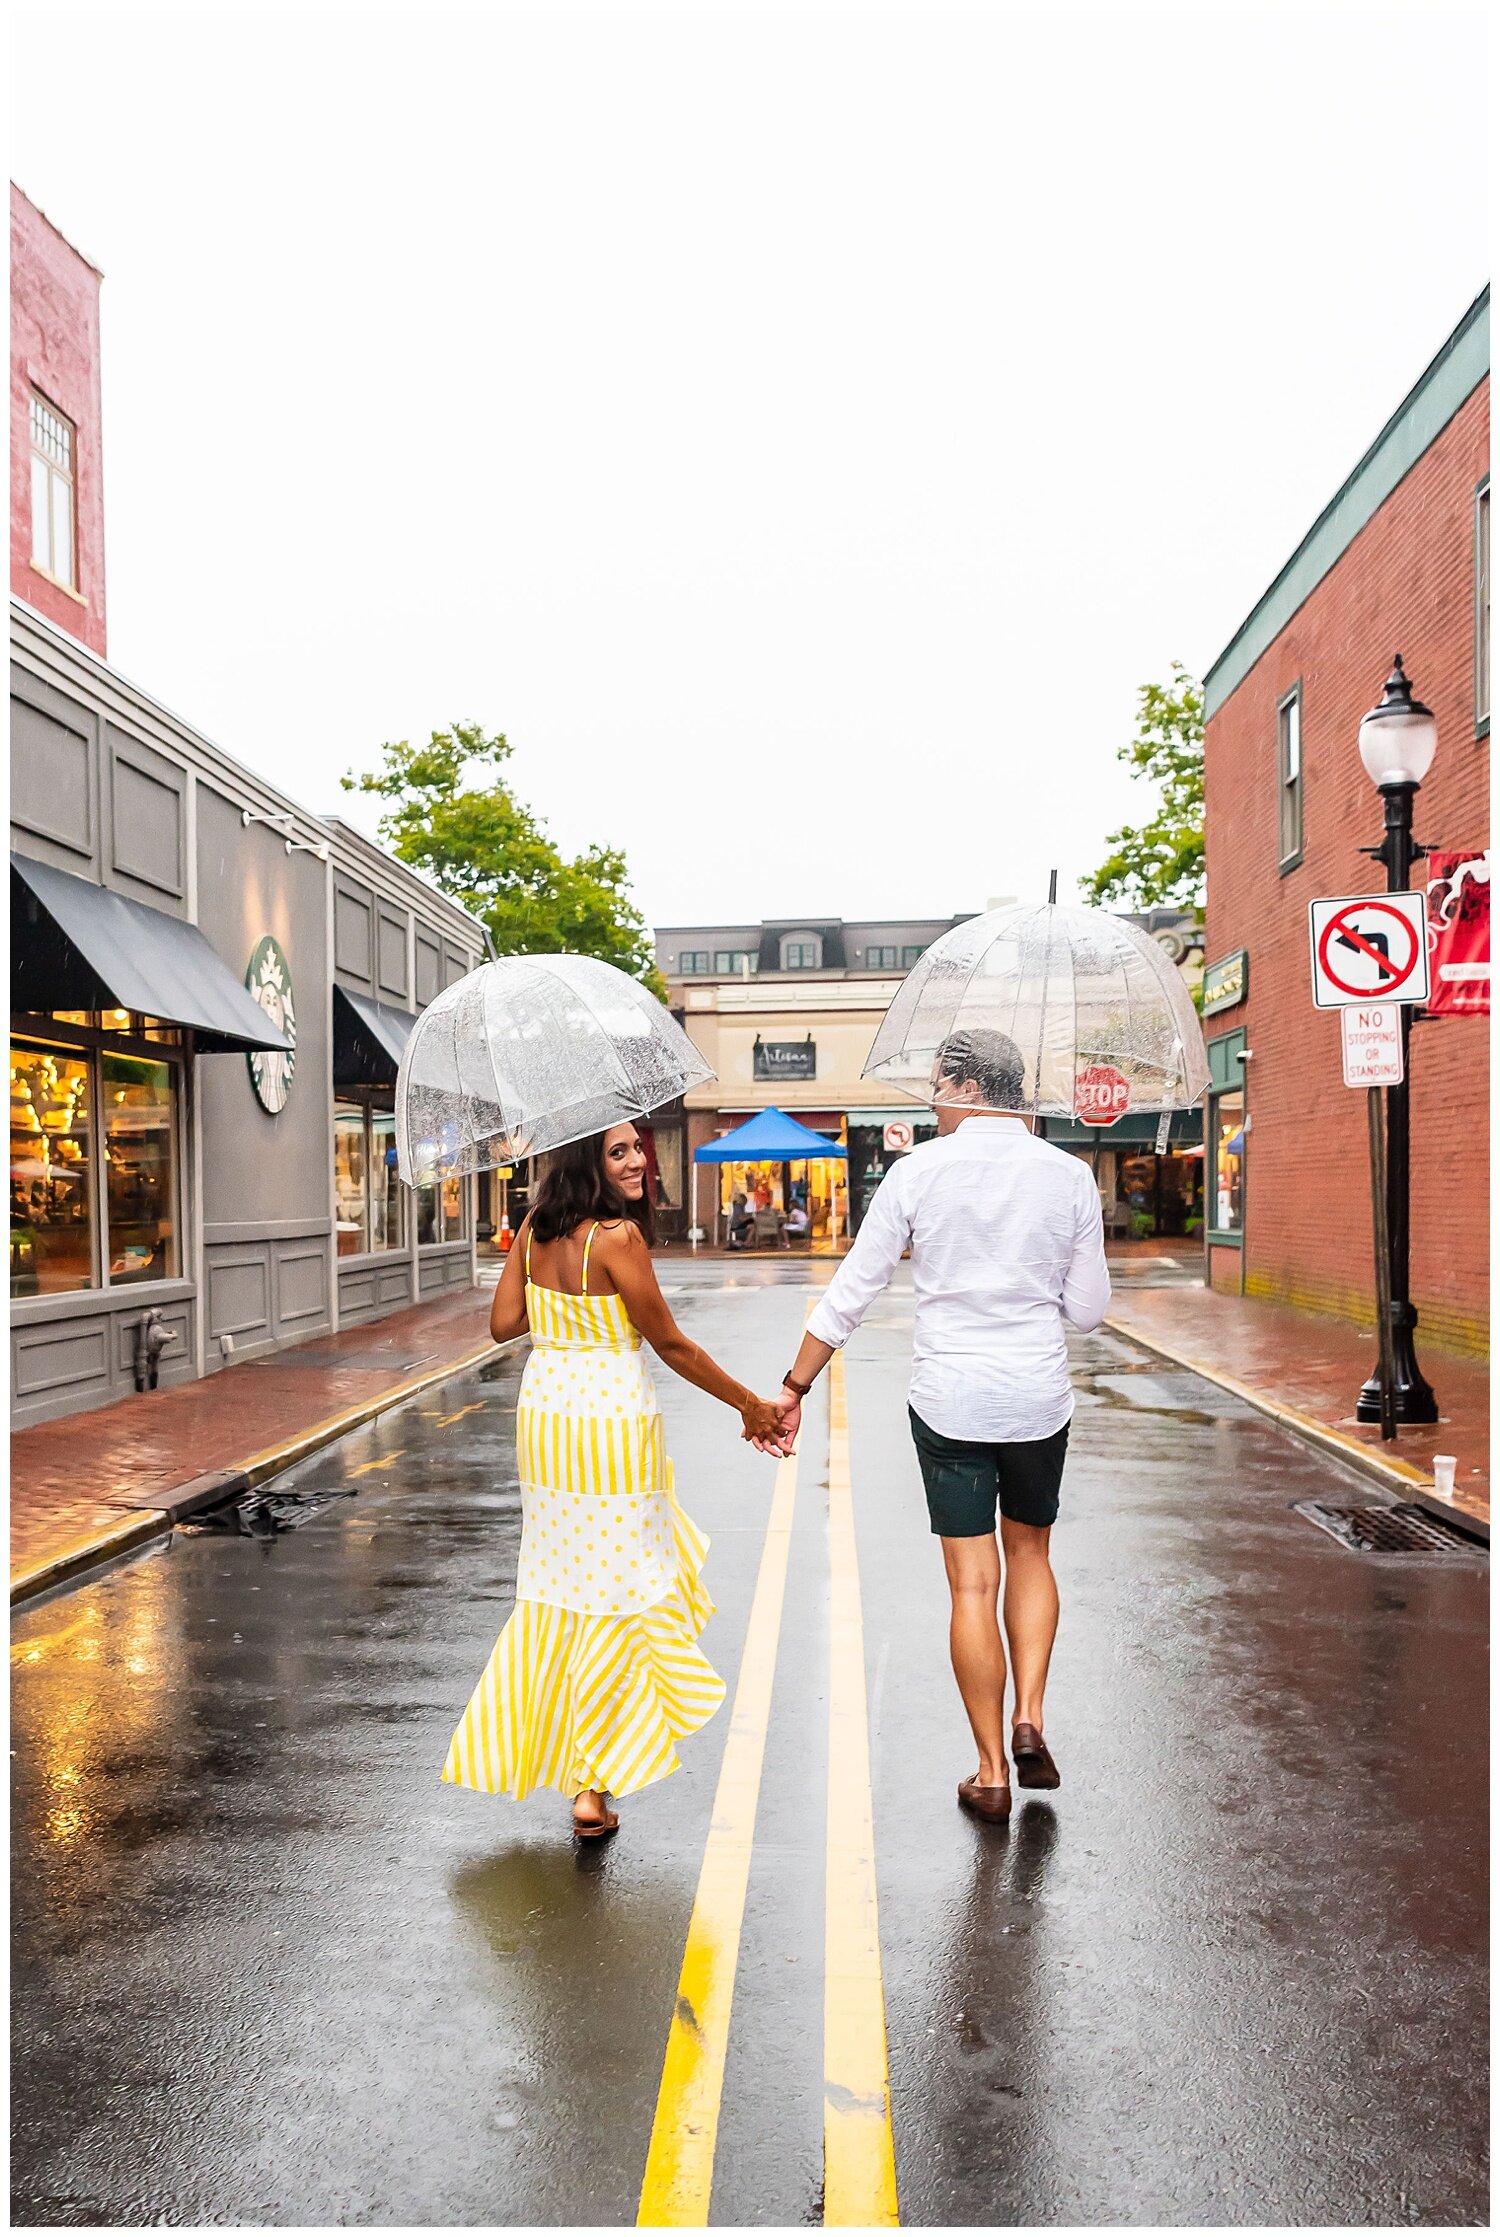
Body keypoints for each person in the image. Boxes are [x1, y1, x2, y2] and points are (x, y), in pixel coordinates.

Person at [764, 1027, 1110, 1824]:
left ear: (964, 1085)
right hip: (1036, 1400)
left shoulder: (917, 1172)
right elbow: (1088, 1313)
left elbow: (853, 1288)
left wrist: (794, 1385)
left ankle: (990, 1768)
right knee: (1031, 1552)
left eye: (935, 1084)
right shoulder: (1069, 1176)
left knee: (972, 1582)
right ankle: (1032, 1715)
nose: (930, 1098)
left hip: (951, 1399)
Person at [442, 1121, 785, 1840]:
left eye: (638, 1148)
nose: (637, 1161)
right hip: (610, 1425)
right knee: (613, 1592)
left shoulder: (539, 1226)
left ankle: (578, 1770)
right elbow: (671, 1343)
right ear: (588, 1161)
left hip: (547, 1421)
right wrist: (750, 1405)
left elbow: (505, 1322)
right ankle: (591, 1788)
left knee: (563, 1586)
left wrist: (532, 1241)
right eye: (619, 1150)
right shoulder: (616, 1239)